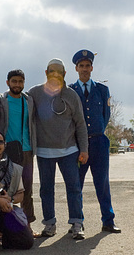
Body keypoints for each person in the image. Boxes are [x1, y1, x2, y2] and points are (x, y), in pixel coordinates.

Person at [27, 58, 89, 240]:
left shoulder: (71, 95)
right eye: (52, 71)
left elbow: (80, 124)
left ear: (64, 74)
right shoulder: (34, 93)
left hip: (69, 151)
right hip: (44, 152)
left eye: (59, 72)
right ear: (46, 72)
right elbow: (19, 106)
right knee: (46, 189)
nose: (55, 75)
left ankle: (77, 224)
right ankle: (49, 224)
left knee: (74, 188)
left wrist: (83, 149)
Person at [69, 49, 121, 234]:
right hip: (78, 145)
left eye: (87, 65)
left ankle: (108, 220)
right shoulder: (70, 91)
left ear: (92, 67)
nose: (85, 69)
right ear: (76, 68)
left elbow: (105, 117)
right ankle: (77, 222)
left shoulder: (102, 89)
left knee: (103, 184)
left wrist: (95, 132)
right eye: (81, 66)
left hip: (99, 142)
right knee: (77, 185)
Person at [0, 69, 40, 238]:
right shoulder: (1, 100)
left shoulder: (29, 101)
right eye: (14, 81)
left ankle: (27, 225)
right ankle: (0, 229)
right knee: (3, 189)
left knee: (26, 190)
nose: (17, 84)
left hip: (26, 151)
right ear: (8, 83)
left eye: (20, 81)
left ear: (24, 83)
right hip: (7, 151)